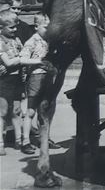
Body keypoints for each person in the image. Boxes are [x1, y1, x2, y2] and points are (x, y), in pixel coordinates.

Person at [0, 10, 41, 155]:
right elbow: (9, 62)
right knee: (3, 111)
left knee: (17, 111)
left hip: (17, 79)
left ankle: (19, 140)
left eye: (16, 26)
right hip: (4, 81)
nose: (15, 30)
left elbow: (22, 54)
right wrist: (21, 60)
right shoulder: (0, 42)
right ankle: (0, 143)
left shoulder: (16, 40)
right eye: (11, 27)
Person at [20, 15, 50, 155]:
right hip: (36, 77)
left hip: (48, 77)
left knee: (43, 110)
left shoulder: (49, 40)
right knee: (31, 111)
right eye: (45, 27)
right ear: (36, 27)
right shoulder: (32, 41)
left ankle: (43, 139)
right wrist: (38, 61)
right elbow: (22, 59)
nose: (48, 30)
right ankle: (25, 140)